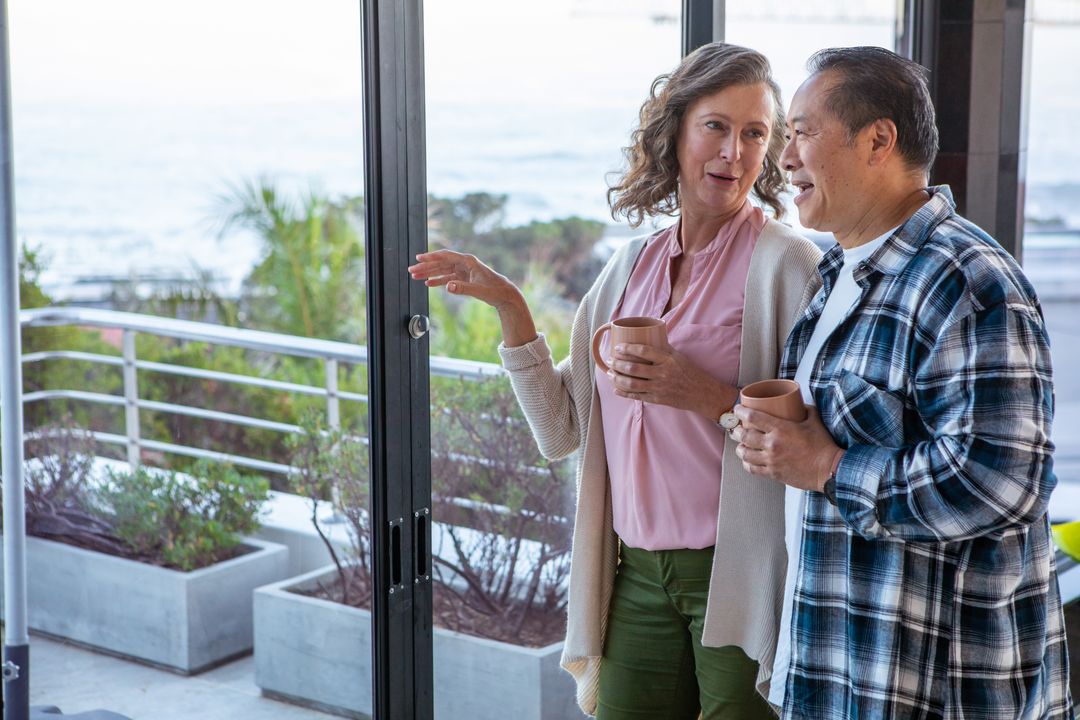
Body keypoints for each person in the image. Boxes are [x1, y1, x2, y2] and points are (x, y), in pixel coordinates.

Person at [409, 43, 821, 719]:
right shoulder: (632, 264)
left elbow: (816, 439)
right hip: (632, 575)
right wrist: (512, 307)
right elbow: (560, 428)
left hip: (738, 573)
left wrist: (705, 395)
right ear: (677, 131)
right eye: (717, 126)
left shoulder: (787, 264)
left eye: (756, 134)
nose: (736, 153)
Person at [730, 46, 1074, 719]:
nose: (785, 156)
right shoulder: (837, 273)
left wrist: (829, 468)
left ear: (878, 140)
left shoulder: (966, 279)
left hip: (934, 686)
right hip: (840, 662)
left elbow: (1000, 482)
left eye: (802, 131)